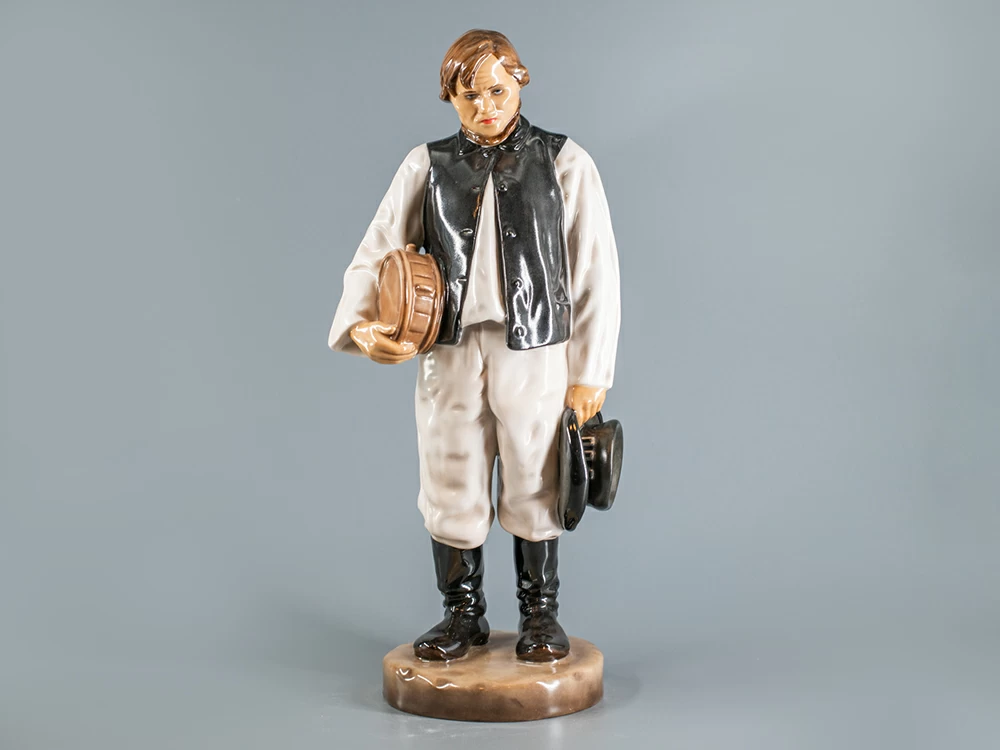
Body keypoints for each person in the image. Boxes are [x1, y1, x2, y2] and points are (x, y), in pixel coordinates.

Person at [328, 29, 620, 662]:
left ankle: (539, 614)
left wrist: (590, 371)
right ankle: (462, 614)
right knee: (450, 474)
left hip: (535, 350)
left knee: (538, 475)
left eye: (496, 90)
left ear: (519, 81)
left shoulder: (564, 162)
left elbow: (595, 271)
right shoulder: (427, 165)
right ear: (451, 99)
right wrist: (366, 325)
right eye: (469, 95)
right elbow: (377, 248)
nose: (485, 105)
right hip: (450, 352)